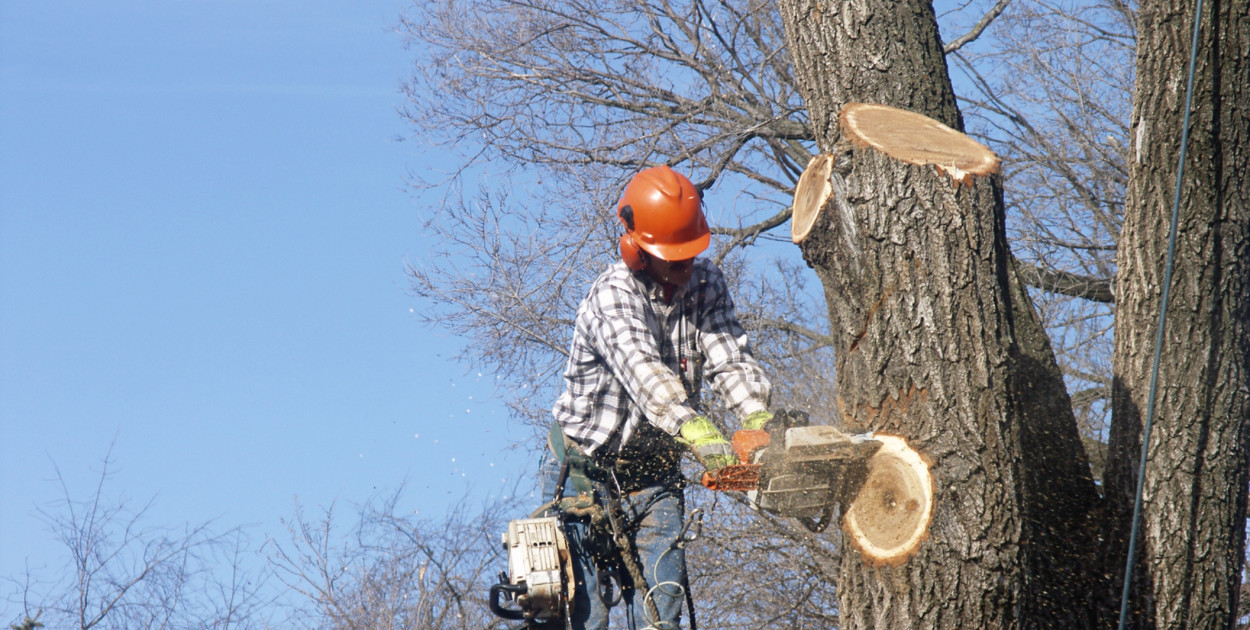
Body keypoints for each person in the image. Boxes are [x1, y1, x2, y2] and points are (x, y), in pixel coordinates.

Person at [540, 165, 773, 630]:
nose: (686, 268)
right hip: (585, 473)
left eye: (690, 255)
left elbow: (729, 356)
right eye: (675, 258)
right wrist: (700, 431)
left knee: (663, 611)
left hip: (656, 475)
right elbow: (644, 373)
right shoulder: (612, 296)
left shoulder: (706, 282)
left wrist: (756, 419)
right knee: (584, 618)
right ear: (637, 250)